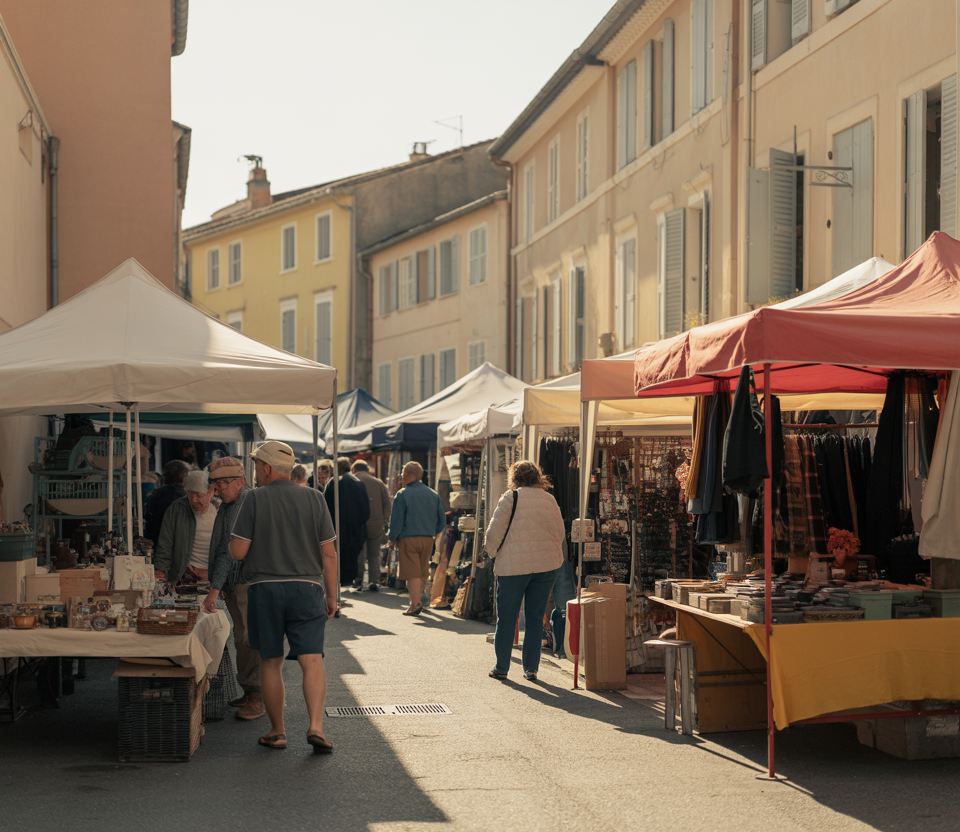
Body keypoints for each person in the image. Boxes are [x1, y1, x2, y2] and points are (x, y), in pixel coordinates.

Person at [229, 440, 338, 753]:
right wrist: (332, 596)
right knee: (312, 659)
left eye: (256, 466)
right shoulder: (315, 498)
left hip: (265, 589)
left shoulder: (253, 498)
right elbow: (329, 554)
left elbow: (238, 551)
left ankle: (277, 731)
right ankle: (315, 726)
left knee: (271, 661)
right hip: (308, 588)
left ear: (265, 467)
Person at [483, 460, 565, 682]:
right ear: (538, 476)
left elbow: (494, 533)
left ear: (514, 477)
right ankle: (531, 668)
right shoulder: (549, 499)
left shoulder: (511, 497)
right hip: (545, 566)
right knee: (535, 618)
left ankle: (501, 666)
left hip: (512, 568)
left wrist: (490, 553)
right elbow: (560, 532)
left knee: (507, 618)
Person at [203, 457, 261, 720]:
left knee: (249, 640)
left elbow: (229, 551)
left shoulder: (242, 504)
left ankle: (257, 697)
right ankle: (250, 691)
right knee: (241, 638)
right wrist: (224, 584)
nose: (219, 489)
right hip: (237, 583)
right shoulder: (230, 504)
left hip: (248, 582)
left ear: (240, 482)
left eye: (224, 483)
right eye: (216, 484)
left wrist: (215, 588)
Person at [388, 461, 445, 616]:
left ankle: (415, 604)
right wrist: (433, 532)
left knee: (412, 573)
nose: (400, 477)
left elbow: (397, 521)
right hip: (428, 538)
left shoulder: (402, 494)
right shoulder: (434, 494)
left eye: (402, 474)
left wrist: (392, 537)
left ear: (409, 475)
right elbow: (441, 521)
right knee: (422, 571)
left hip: (408, 537)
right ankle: (418, 600)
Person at [153, 469, 218, 585]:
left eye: (199, 495)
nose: (193, 500)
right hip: (183, 577)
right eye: (190, 494)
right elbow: (164, 548)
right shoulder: (176, 509)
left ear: (211, 491)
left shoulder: (221, 512)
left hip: (213, 579)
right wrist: (161, 575)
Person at [324, 458, 370, 587]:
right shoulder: (358, 483)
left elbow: (325, 506)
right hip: (355, 529)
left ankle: (341, 579)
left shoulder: (334, 483)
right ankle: (351, 578)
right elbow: (365, 509)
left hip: (337, 528)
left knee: (338, 555)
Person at [352, 459, 391, 591]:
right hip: (377, 523)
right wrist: (385, 520)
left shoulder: (353, 481)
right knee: (374, 554)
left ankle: (358, 579)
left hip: (359, 523)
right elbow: (387, 503)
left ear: (354, 469)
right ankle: (374, 580)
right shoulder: (378, 482)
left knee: (359, 553)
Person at [143, 459, 190, 547]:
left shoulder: (157, 494)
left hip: (156, 540)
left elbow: (147, 515)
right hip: (178, 542)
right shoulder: (186, 496)